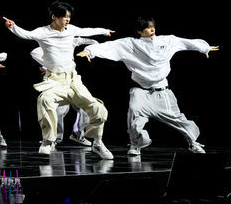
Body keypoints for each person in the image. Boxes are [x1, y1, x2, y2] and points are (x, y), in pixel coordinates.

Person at [78, 16, 218, 155]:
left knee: (177, 118)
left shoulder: (166, 41)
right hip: (141, 91)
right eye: (147, 27)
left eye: (152, 27)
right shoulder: (131, 44)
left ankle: (193, 143)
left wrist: (204, 47)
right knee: (134, 112)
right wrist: (89, 51)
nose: (152, 29)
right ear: (139, 31)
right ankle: (135, 144)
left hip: (162, 91)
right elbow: (110, 46)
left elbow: (184, 42)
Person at [3, 1, 115, 159]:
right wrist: (12, 26)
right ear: (54, 16)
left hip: (73, 80)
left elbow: (87, 31)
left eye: (69, 16)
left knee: (98, 108)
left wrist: (104, 31)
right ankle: (48, 141)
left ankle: (97, 143)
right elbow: (26, 34)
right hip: (54, 81)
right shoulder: (43, 32)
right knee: (44, 100)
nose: (67, 20)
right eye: (64, 17)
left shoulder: (71, 30)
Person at [29, 40, 97, 146]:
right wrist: (48, 66)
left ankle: (77, 134)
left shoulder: (69, 41)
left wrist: (90, 50)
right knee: (59, 111)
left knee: (84, 106)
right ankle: (54, 138)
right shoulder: (46, 48)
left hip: (72, 81)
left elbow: (90, 41)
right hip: (57, 82)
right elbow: (34, 52)